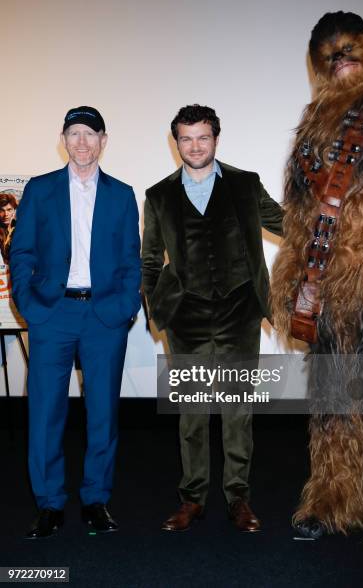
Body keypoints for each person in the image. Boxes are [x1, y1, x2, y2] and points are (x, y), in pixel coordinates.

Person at [271, 11, 363, 557]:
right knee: (332, 406)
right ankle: (334, 501)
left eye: (349, 49)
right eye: (330, 55)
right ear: (317, 67)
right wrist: (293, 280)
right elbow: (301, 215)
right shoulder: (309, 131)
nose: (341, 60)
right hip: (330, 294)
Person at [143, 104, 283, 532]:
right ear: (177, 142)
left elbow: (286, 224)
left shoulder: (244, 184)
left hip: (240, 312)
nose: (195, 145)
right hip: (186, 316)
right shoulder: (158, 195)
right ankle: (192, 499)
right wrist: (158, 308)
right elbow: (149, 260)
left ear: (216, 139)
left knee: (238, 410)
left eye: (203, 137)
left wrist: (338, 222)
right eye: (186, 138)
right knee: (192, 412)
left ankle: (239, 499)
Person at [10, 106, 141, 539]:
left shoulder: (122, 195)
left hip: (104, 316)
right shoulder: (40, 190)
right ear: (63, 139)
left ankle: (95, 500)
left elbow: (129, 261)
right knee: (45, 410)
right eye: (74, 134)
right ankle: (49, 503)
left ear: (104, 141)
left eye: (91, 134)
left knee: (102, 412)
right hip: (53, 314)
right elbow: (22, 252)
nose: (82, 142)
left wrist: (124, 308)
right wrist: (29, 304)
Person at [0, 193, 18, 264]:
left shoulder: (20, 228)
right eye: (1, 210)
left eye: (9, 209)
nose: (6, 214)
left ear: (14, 210)